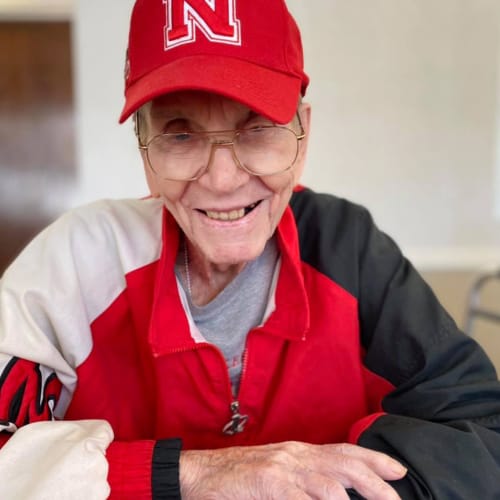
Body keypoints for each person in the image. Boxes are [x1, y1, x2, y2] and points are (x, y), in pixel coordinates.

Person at [1, 0, 500, 498]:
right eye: (180, 133)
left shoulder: (347, 249)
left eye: (257, 127)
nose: (222, 180)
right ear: (145, 150)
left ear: (301, 139)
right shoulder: (73, 265)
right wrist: (191, 474)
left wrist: (329, 487)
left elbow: (481, 435)